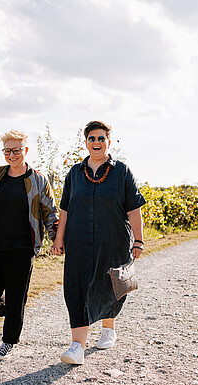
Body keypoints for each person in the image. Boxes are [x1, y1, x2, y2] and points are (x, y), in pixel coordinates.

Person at [51, 120, 145, 365]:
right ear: (85, 143)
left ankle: (108, 328)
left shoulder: (122, 172)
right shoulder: (74, 173)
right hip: (78, 240)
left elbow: (134, 209)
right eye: (92, 138)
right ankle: (77, 347)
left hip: (112, 240)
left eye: (101, 138)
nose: (96, 142)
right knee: (76, 288)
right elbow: (65, 210)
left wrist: (138, 241)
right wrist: (59, 238)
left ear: (108, 142)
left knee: (110, 284)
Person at [0, 130, 59, 360]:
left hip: (23, 247)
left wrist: (56, 237)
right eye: (7, 151)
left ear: (25, 151)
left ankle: (8, 341)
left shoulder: (38, 180)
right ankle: (12, 314)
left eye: (16, 150)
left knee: (17, 294)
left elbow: (49, 211)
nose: (12, 155)